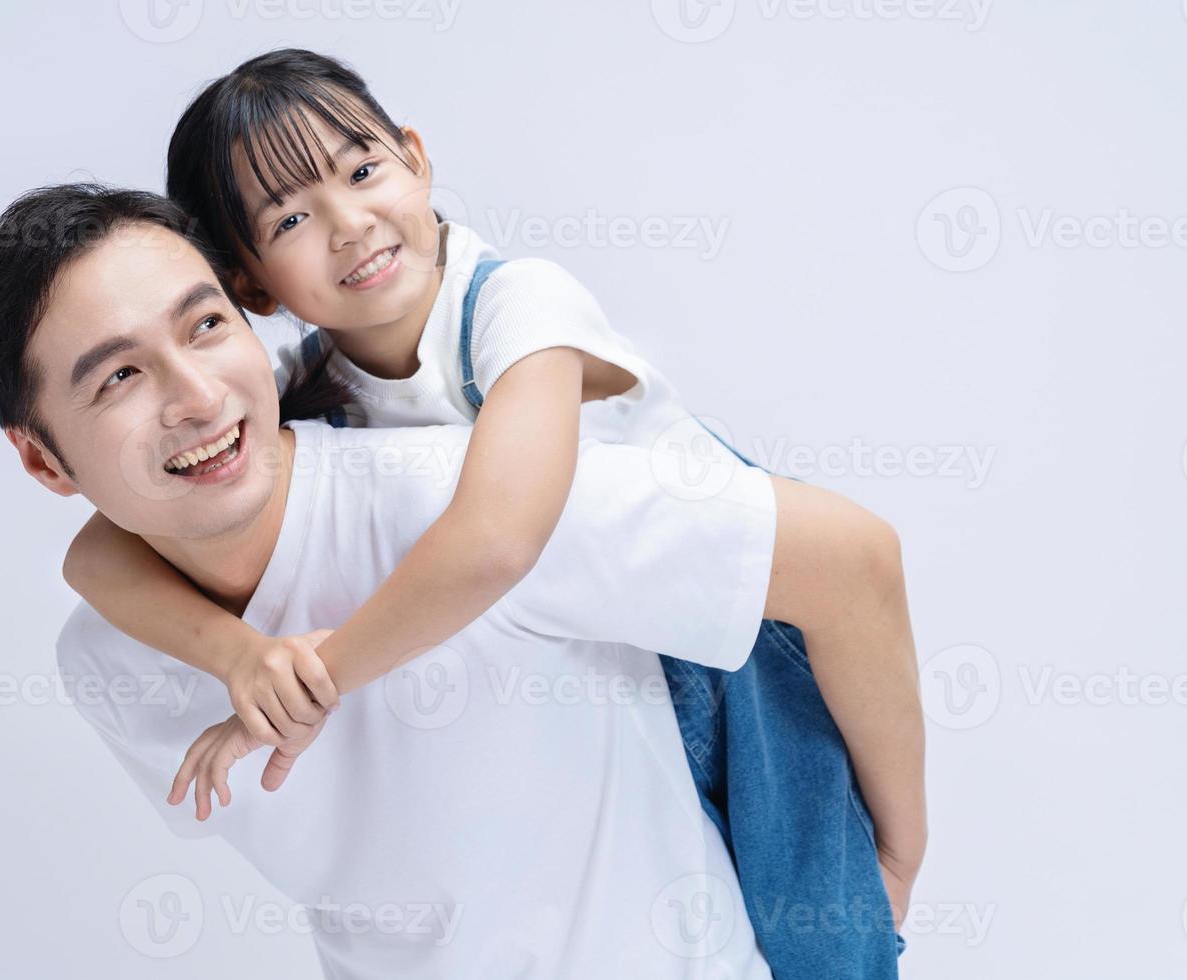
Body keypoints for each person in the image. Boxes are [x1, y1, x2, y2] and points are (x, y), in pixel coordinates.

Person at [57, 51, 924, 976]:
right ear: (252, 284)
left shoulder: (516, 306)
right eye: (293, 218)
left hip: (735, 644)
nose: (350, 225)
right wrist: (237, 658)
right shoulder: (300, 384)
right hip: (602, 669)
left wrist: (309, 687)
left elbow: (500, 539)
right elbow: (95, 554)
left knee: (825, 934)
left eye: (362, 171)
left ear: (417, 160)